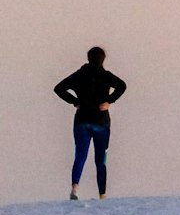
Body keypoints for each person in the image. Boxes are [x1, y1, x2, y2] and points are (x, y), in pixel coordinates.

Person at [53, 47, 127, 200]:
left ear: (88, 58)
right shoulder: (105, 76)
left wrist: (74, 101)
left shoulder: (80, 75)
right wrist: (109, 101)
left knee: (80, 155)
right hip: (101, 121)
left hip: (82, 120)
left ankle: (75, 188)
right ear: (103, 59)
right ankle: (102, 194)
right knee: (101, 159)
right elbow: (122, 86)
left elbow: (59, 88)